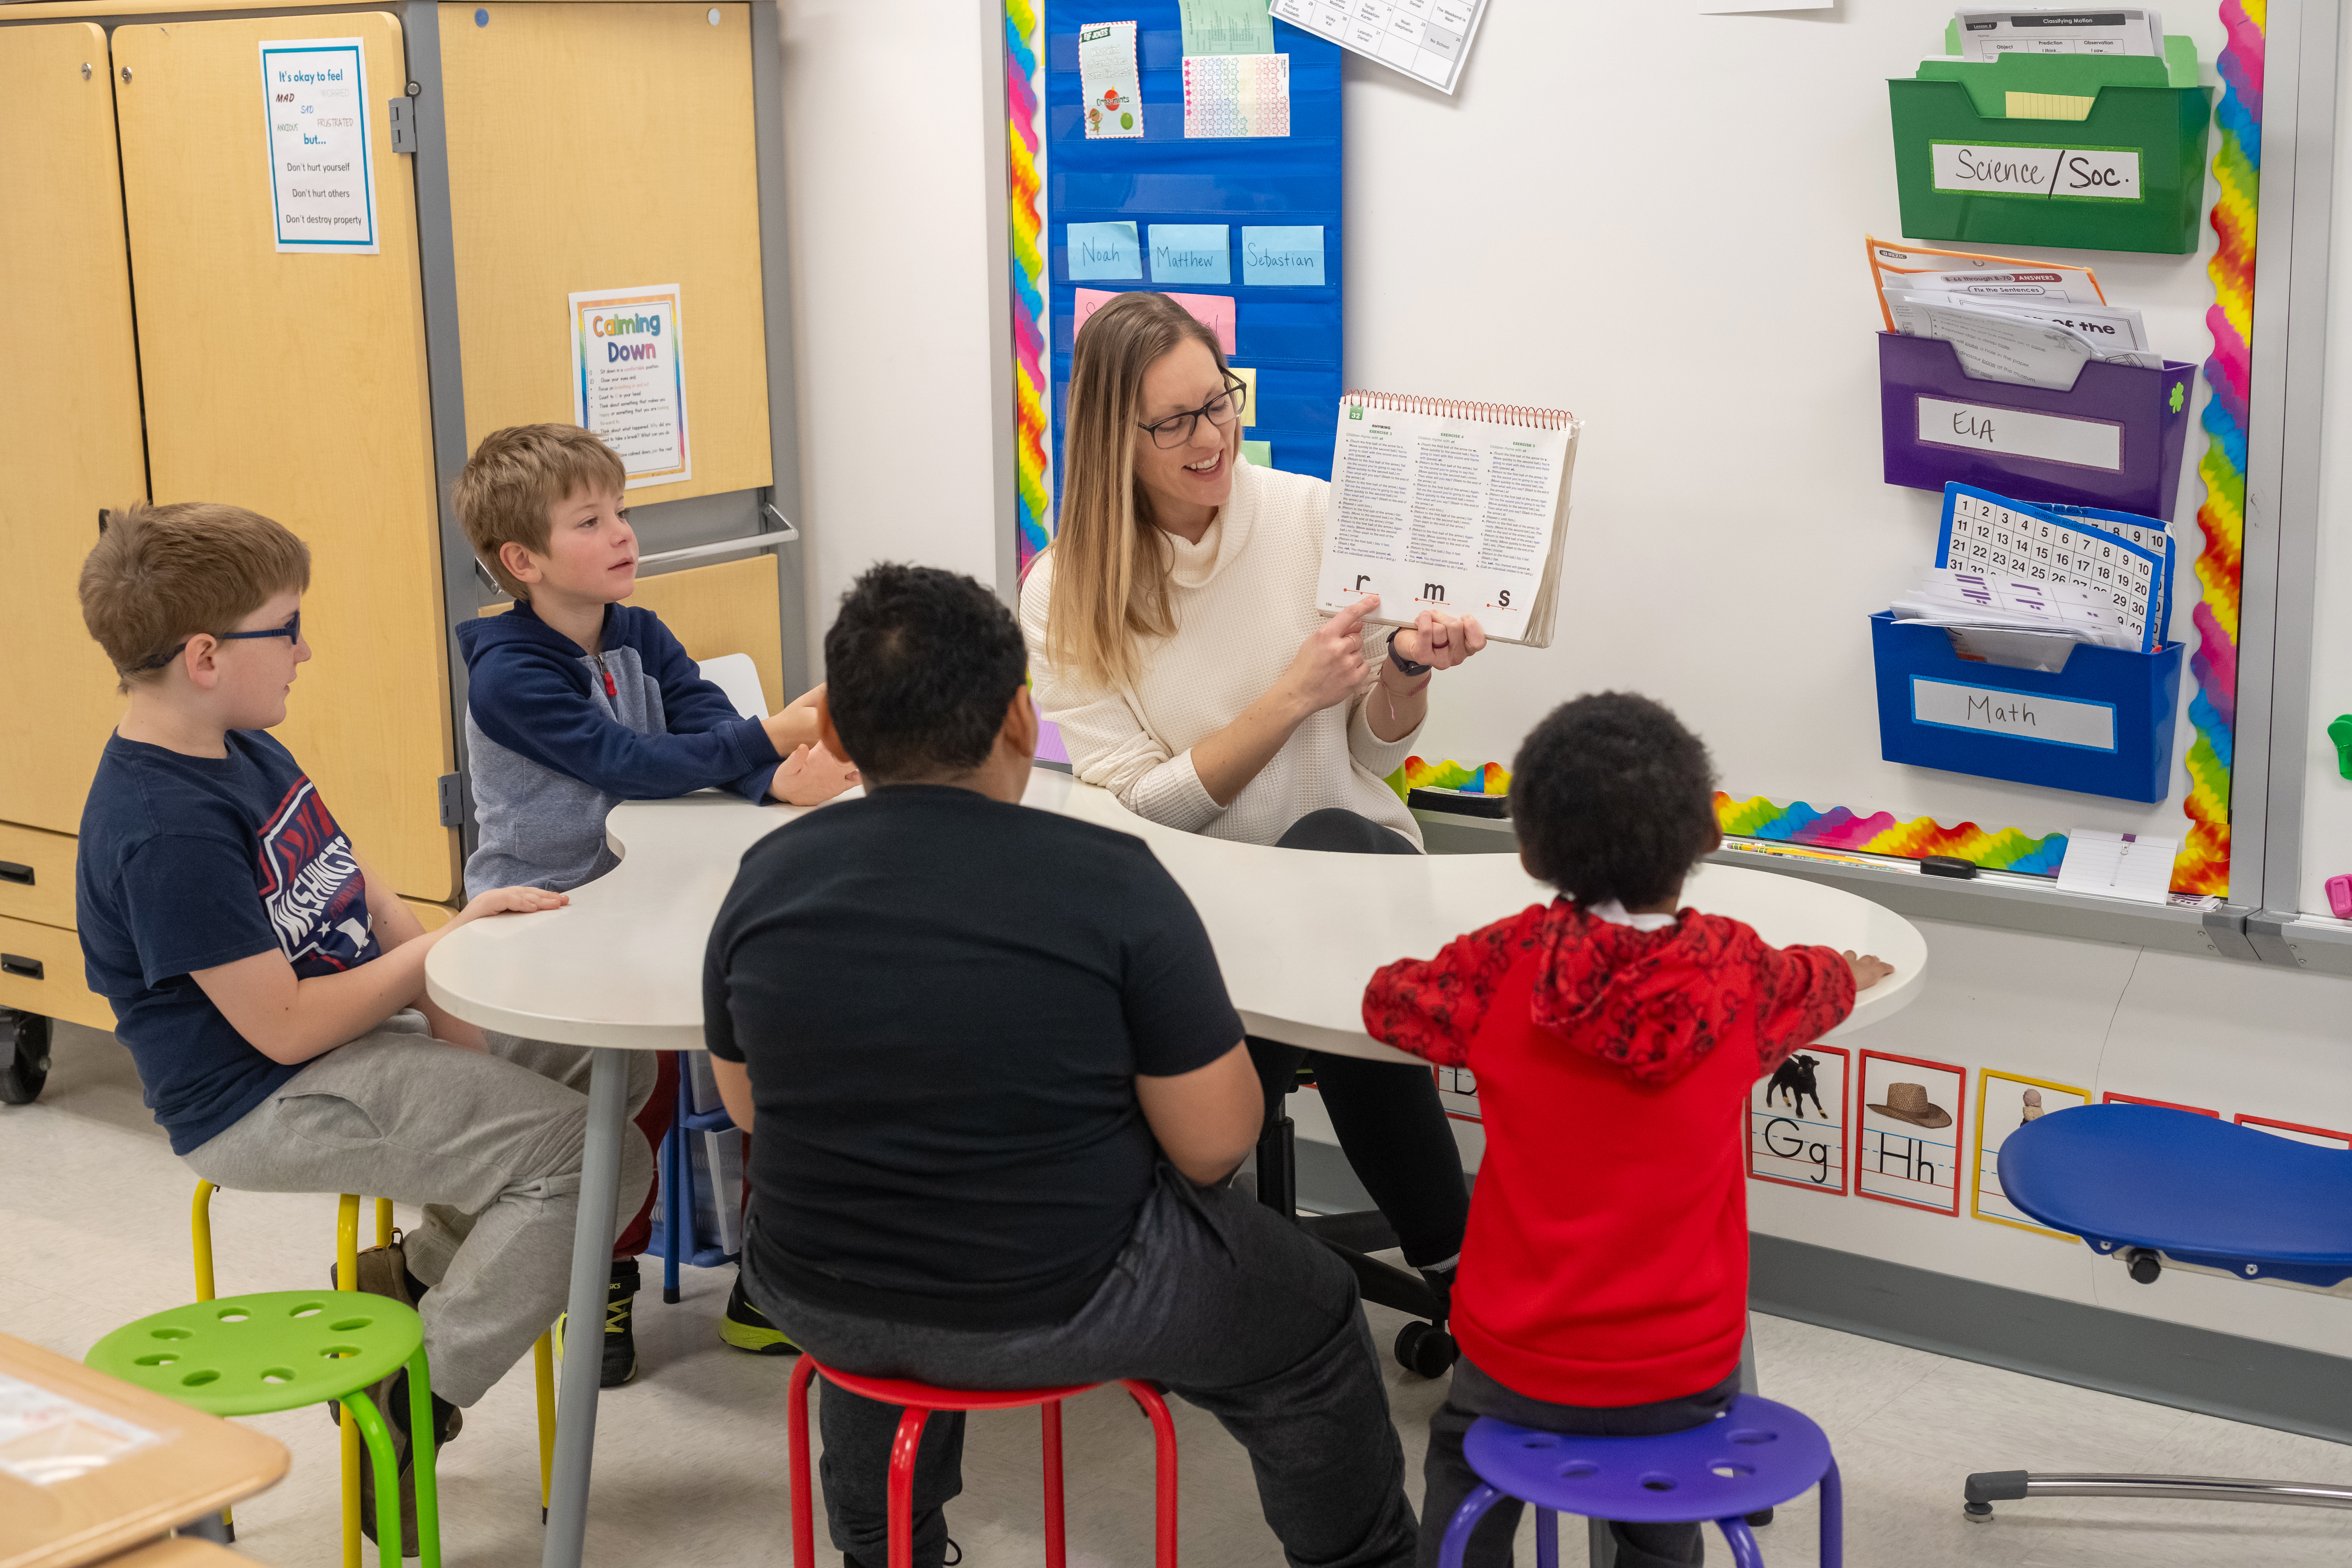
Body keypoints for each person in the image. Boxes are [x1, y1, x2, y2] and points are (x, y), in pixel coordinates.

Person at [705, 563, 1418, 1568]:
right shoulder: (1110, 881)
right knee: (1309, 1318)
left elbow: (750, 1109)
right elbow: (1217, 1147)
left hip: (812, 1290)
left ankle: (885, 1551)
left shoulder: (764, 878)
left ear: (836, 736)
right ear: (1017, 719)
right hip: (1064, 1299)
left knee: (878, 1284)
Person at [73, 501, 655, 1554]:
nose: (305, 649)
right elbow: (287, 1030)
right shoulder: (164, 832)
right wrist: (441, 961)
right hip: (266, 1097)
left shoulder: (241, 743)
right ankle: (415, 1391)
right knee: (600, 1164)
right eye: (285, 628)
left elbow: (369, 896)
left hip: (359, 1038)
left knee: (600, 1055)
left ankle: (418, 1271)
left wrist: (452, 1014)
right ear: (206, 657)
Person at [1020, 289, 1480, 1303]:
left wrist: (1405, 672)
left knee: (1331, 856)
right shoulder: (1065, 591)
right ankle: (1452, 1267)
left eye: (1219, 401)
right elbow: (1137, 807)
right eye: (1175, 421)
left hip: (1352, 868)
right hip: (1196, 906)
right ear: (1114, 437)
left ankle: (1207, 1257)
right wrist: (1287, 701)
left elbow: (1377, 746)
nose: (1211, 435)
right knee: (1314, 933)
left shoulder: (1312, 515)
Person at [1360, 693, 1893, 1568]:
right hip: (1685, 1362)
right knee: (1660, 1510)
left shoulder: (1504, 965)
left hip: (1515, 1351)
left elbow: (1391, 1003)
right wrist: (1843, 969)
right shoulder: (1745, 976)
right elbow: (1821, 982)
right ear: (1708, 837)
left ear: (1530, 854)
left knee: (1459, 1454)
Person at [452, 422, 859, 1380]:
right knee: (621, 1100)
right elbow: (631, 763)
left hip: (654, 899)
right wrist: (773, 737)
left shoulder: (635, 629)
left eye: (622, 511)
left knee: (763, 1034)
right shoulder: (509, 673)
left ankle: (772, 1276)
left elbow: (703, 725)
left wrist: (772, 777)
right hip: (550, 917)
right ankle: (601, 1279)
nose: (624, 534)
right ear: (524, 561)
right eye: (591, 521)